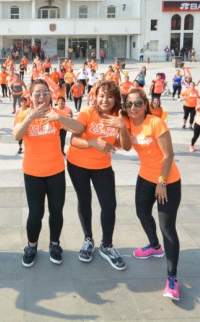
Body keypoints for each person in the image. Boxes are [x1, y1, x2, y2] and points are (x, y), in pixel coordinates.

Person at [13, 80, 84, 267]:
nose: (41, 97)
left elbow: (79, 128)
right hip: (33, 172)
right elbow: (17, 136)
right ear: (30, 96)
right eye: (37, 94)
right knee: (35, 213)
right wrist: (30, 117)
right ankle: (31, 246)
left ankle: (55, 244)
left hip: (56, 172)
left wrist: (59, 119)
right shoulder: (22, 115)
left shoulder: (57, 114)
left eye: (45, 93)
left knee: (56, 211)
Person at [121, 88, 181, 301]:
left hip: (168, 181)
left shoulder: (156, 123)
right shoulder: (128, 123)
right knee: (142, 213)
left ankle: (172, 278)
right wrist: (120, 125)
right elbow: (126, 147)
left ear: (145, 105)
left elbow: (168, 155)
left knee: (167, 227)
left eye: (138, 103)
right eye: (129, 104)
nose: (133, 108)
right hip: (145, 177)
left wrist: (162, 182)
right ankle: (155, 246)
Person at [67, 80, 131, 271]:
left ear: (116, 98)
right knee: (84, 200)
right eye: (101, 95)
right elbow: (74, 140)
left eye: (109, 96)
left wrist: (123, 127)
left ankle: (107, 245)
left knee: (109, 204)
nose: (105, 100)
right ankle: (88, 239)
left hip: (102, 166)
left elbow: (126, 146)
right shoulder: (87, 112)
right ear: (95, 96)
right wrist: (94, 143)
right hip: (77, 164)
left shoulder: (120, 116)